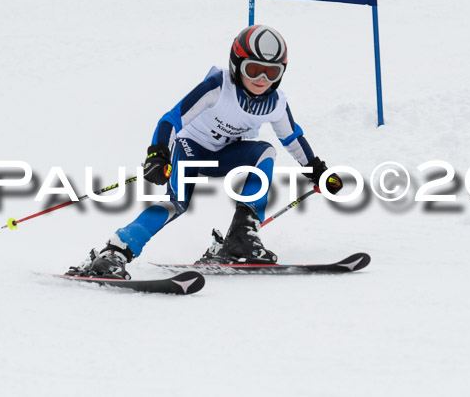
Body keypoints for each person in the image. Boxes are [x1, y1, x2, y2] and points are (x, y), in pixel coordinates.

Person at [67, 25, 343, 279]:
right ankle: (115, 251)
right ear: (236, 66)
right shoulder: (218, 87)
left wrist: (317, 170)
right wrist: (158, 153)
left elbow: (291, 137)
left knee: (265, 152)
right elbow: (171, 119)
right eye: (253, 69)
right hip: (190, 149)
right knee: (177, 203)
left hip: (227, 156)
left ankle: (241, 238)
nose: (261, 79)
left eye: (271, 73)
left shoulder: (275, 103)